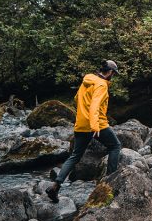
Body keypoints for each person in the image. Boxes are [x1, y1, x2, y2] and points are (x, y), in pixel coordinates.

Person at [47, 60, 122, 202]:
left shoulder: (87, 80)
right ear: (111, 72)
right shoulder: (101, 85)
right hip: (96, 124)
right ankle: (110, 182)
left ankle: (55, 185)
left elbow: (76, 99)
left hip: (80, 124)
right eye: (114, 74)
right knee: (115, 146)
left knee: (75, 156)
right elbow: (94, 106)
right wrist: (95, 126)